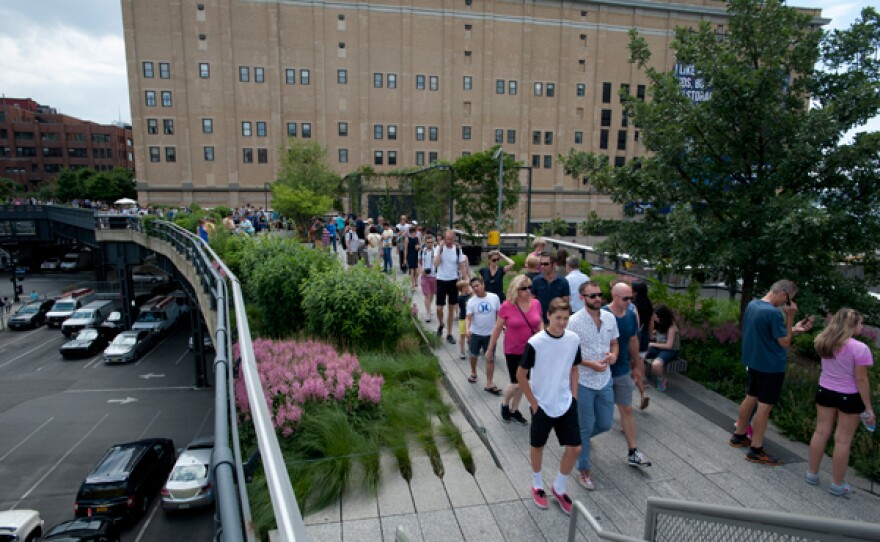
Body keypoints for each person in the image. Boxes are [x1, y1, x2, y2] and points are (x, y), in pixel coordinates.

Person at [729, 279, 813, 465]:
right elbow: (785, 342)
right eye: (788, 299)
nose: (787, 304)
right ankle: (756, 450)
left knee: (751, 396)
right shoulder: (774, 314)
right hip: (771, 365)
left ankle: (738, 435)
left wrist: (793, 329)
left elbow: (770, 333)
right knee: (764, 407)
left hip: (754, 361)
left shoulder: (753, 305)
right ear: (784, 294)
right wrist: (790, 317)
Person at [517, 297, 582, 516]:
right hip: (542, 403)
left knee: (575, 448)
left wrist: (574, 396)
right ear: (548, 316)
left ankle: (559, 487)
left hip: (565, 401)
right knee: (538, 445)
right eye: (558, 318)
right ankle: (537, 484)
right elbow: (521, 375)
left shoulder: (573, 339)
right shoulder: (536, 342)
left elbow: (574, 368)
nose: (563, 322)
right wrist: (534, 404)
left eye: (566, 318)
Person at [807, 308, 875, 496]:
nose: (862, 326)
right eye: (860, 323)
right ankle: (837, 484)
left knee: (820, 432)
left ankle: (811, 474)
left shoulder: (823, 341)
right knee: (842, 440)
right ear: (851, 325)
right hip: (849, 396)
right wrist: (868, 408)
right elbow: (861, 380)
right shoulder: (860, 348)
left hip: (825, 391)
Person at [568, 281, 618, 491]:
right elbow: (569, 356)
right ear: (582, 298)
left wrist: (613, 355)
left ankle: (581, 439)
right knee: (586, 425)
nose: (597, 299)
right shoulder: (573, 322)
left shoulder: (609, 317)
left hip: (605, 378)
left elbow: (615, 341)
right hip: (584, 380)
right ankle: (583, 468)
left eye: (599, 295)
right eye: (592, 296)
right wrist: (589, 364)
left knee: (605, 424)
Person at [605, 281, 652, 467]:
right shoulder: (602, 314)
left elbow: (633, 340)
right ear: (615, 297)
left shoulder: (631, 315)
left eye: (631, 298)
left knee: (626, 409)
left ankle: (633, 451)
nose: (629, 302)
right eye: (625, 298)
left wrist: (636, 366)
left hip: (622, 368)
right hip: (602, 371)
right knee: (598, 415)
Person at [487, 274, 542, 425]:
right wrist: (490, 349)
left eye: (529, 287)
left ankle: (514, 409)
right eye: (523, 288)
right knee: (517, 382)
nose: (528, 291)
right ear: (515, 290)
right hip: (513, 350)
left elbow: (539, 324)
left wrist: (545, 340)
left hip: (531, 349)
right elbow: (498, 328)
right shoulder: (507, 306)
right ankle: (504, 403)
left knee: (524, 383)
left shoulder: (536, 304)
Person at [465, 276, 502, 393]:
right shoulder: (471, 302)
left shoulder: (494, 297)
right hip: (476, 333)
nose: (475, 288)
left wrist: (500, 327)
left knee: (490, 358)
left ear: (483, 285)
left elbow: (499, 313)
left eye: (477, 285)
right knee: (473, 354)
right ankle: (474, 372)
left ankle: (489, 382)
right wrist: (467, 329)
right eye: (473, 287)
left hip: (490, 334)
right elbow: (468, 317)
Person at [434, 229, 466, 344]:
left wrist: (466, 279)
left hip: (453, 281)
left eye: (451, 239)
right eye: (447, 239)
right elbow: (436, 264)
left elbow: (462, 265)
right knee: (439, 308)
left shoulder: (457, 250)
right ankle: (441, 323)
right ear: (444, 238)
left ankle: (449, 333)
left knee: (451, 308)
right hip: (441, 280)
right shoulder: (439, 248)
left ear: (454, 239)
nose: (449, 241)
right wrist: (440, 250)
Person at [645, 305, 679, 392]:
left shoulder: (671, 327)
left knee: (656, 364)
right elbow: (652, 335)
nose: (655, 318)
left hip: (670, 350)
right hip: (658, 347)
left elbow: (669, 345)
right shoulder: (658, 324)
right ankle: (641, 374)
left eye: (656, 316)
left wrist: (652, 344)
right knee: (640, 353)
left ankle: (661, 380)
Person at [531, 252, 570, 324]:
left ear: (554, 265)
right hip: (540, 321)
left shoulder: (563, 282)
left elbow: (566, 303)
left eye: (546, 264)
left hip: (556, 322)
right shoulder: (536, 280)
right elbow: (532, 300)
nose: (542, 266)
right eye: (541, 264)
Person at [418, 235, 437, 322]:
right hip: (424, 276)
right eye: (428, 242)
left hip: (434, 276)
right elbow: (419, 262)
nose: (429, 244)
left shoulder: (436, 251)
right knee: (427, 295)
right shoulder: (422, 251)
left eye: (431, 242)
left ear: (433, 242)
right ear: (425, 242)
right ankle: (428, 313)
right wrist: (421, 270)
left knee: (432, 294)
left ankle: (429, 307)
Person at [456, 280, 471, 360]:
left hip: (470, 318)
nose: (468, 288)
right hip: (463, 318)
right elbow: (467, 303)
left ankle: (470, 346)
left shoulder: (469, 295)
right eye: (466, 287)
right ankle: (462, 351)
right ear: (462, 289)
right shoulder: (460, 298)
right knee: (462, 335)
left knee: (470, 334)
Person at [403, 226, 420, 290]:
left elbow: (421, 245)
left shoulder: (417, 238)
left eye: (415, 232)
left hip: (416, 255)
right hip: (410, 256)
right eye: (412, 232)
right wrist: (405, 258)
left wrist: (418, 246)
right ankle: (412, 285)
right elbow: (406, 249)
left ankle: (416, 280)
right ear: (410, 233)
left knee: (417, 271)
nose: (414, 233)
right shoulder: (407, 239)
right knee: (412, 271)